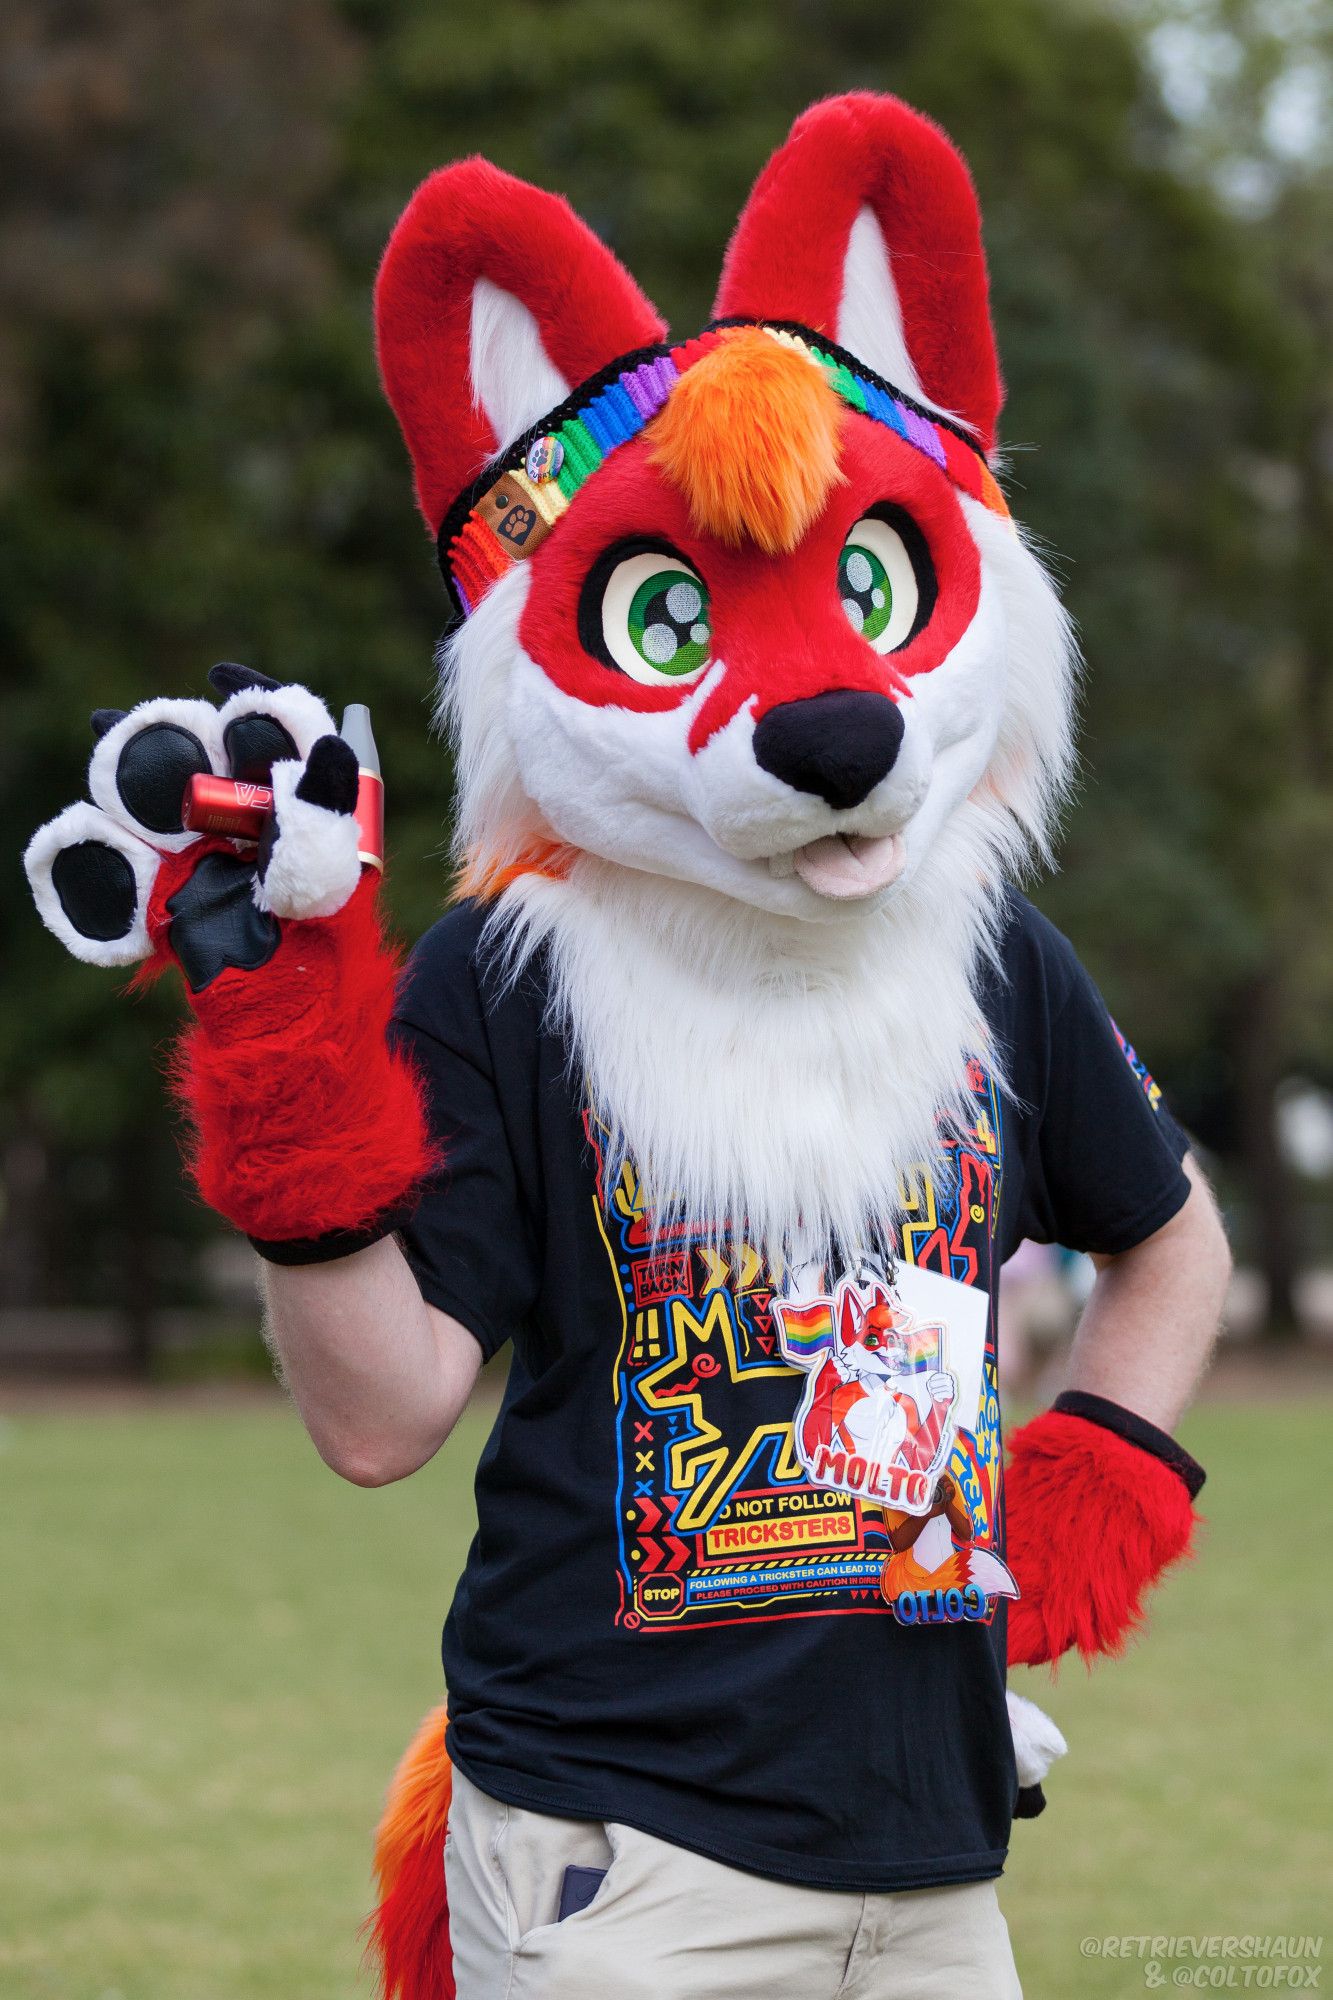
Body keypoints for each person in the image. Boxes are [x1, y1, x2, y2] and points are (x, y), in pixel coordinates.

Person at [25, 91, 1231, 2000]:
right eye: (678, 609)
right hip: (623, 1861)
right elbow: (377, 1415)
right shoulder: (518, 975)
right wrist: (282, 1073)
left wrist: (1104, 1463)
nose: (820, 708)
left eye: (866, 589)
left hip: (934, 1851)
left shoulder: (991, 953)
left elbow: (1170, 1233)